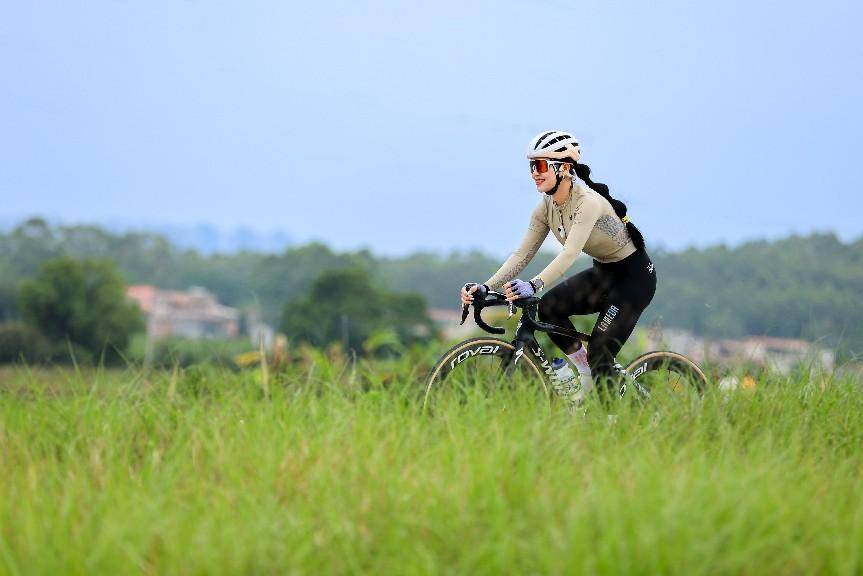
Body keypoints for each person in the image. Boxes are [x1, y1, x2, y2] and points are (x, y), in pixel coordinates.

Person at [460, 130, 657, 400]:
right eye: (532, 166)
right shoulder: (544, 208)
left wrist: (533, 284)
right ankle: (585, 377)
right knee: (549, 307)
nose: (534, 173)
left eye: (541, 166)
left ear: (564, 167)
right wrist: (485, 286)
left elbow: (569, 253)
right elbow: (521, 255)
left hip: (633, 279)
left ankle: (611, 421)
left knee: (601, 350)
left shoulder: (588, 203)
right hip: (604, 274)